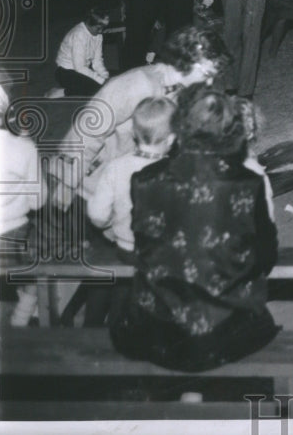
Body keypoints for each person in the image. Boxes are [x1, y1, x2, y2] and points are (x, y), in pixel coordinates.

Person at [109, 84, 279, 372]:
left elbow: (145, 247)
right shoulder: (248, 183)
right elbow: (265, 257)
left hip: (155, 328)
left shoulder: (144, 178)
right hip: (220, 331)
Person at [56, 26, 229, 206]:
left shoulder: (180, 92)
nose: (209, 82)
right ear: (188, 61)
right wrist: (66, 184)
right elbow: (88, 129)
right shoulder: (139, 83)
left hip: (124, 181)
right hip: (89, 184)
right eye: (207, 74)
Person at [86, 97, 177, 257]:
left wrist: (113, 223)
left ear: (133, 132)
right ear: (171, 138)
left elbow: (97, 215)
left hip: (126, 247)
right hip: (165, 251)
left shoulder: (115, 167)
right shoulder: (177, 169)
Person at [0, 86, 48, 327]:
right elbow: (39, 200)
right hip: (14, 232)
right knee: (37, 273)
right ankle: (22, 319)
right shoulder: (23, 147)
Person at [55, 7, 111, 96]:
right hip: (65, 72)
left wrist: (106, 76)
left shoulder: (98, 35)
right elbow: (79, 67)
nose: (101, 31)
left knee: (109, 83)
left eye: (103, 28)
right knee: (96, 90)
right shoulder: (78, 35)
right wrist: (102, 81)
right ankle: (63, 92)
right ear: (89, 23)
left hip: (83, 69)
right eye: (98, 28)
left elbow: (97, 61)